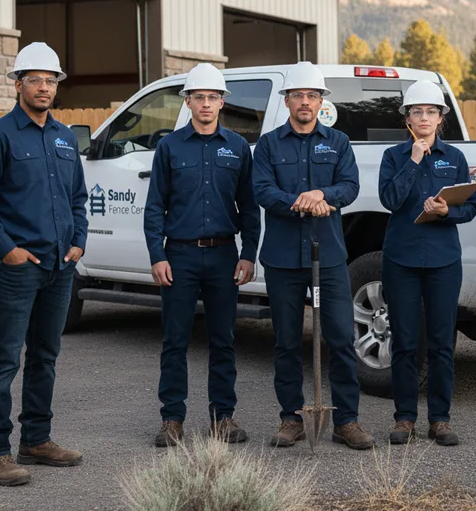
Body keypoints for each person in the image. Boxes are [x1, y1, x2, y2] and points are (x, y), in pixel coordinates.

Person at [0, 42, 88, 487]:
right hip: (17, 267)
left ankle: (36, 440)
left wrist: (78, 242)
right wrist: (8, 250)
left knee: (45, 357)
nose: (43, 87)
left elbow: (78, 198)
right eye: (34, 79)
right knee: (3, 360)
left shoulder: (65, 137)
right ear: (18, 85)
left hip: (59, 266)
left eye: (50, 80)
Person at [252, 61, 374, 450]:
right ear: (287, 100)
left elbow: (350, 185)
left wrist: (323, 194)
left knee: (341, 338)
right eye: (298, 95)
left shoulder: (338, 142)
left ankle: (346, 421)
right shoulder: (269, 144)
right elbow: (262, 190)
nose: (305, 101)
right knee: (287, 342)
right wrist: (299, 202)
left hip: (330, 257)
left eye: (312, 95)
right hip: (283, 259)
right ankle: (291, 419)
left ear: (322, 101)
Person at [143, 63, 260, 447]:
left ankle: (222, 417)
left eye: (212, 97)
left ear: (222, 102)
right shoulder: (169, 147)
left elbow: (249, 207)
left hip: (224, 256)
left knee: (223, 340)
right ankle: (171, 420)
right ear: (188, 102)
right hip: (179, 256)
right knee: (175, 341)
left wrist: (249, 254)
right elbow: (154, 207)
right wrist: (157, 255)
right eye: (199, 97)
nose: (206, 103)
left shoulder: (238, 148)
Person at [378, 80, 476, 446]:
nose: (424, 117)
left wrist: (447, 210)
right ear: (407, 118)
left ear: (440, 118)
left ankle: (440, 419)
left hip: (443, 260)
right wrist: (414, 160)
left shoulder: (455, 157)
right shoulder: (394, 156)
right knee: (405, 342)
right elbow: (390, 200)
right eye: (417, 111)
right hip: (401, 259)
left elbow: (470, 207)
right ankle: (405, 417)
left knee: (441, 343)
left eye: (431, 112)